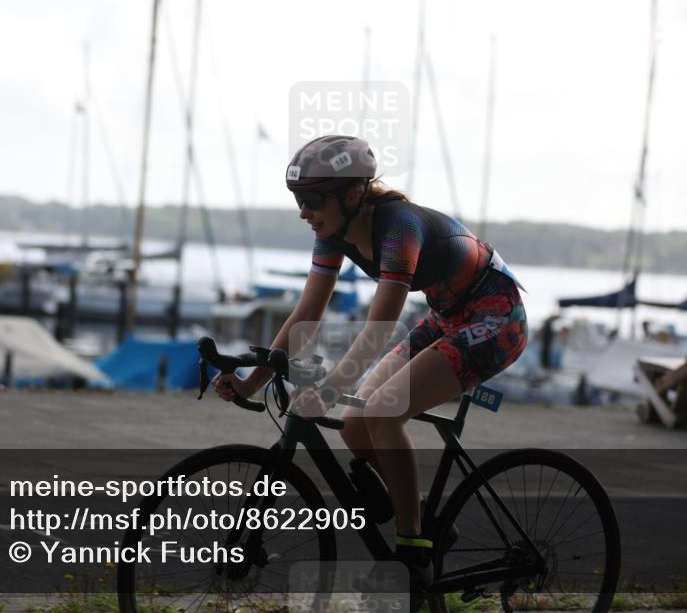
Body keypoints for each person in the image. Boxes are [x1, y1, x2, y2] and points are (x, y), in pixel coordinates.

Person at [213, 135, 528, 589]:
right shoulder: (331, 234)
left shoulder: (399, 229)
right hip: (446, 317)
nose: (304, 211)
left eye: (313, 200)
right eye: (298, 200)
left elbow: (379, 329)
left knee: (382, 410)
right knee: (355, 422)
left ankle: (414, 549)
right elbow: (307, 314)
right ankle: (425, 522)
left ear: (352, 195)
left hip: (497, 319)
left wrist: (329, 387)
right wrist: (252, 382)